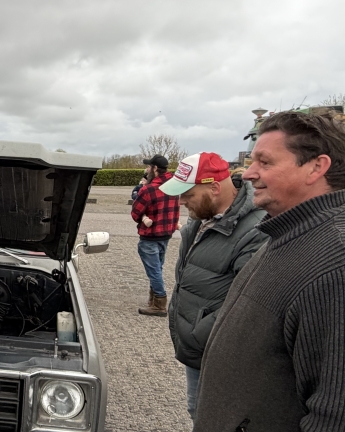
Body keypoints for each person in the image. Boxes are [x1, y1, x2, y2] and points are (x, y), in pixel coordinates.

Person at [195, 111, 345, 431]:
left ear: (316, 167)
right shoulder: (286, 232)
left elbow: (335, 413)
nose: (249, 174)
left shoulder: (335, 263)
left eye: (264, 162)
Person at [158, 152, 268, 422]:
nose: (181, 201)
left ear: (215, 188)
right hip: (201, 347)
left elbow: (249, 302)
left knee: (215, 419)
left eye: (188, 194)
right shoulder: (202, 219)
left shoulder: (256, 230)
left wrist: (200, 331)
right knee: (198, 411)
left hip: (222, 352)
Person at [131, 154, 180, 316]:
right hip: (166, 234)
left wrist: (143, 217)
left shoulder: (148, 189)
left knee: (154, 271)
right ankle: (153, 300)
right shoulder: (174, 186)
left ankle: (159, 303)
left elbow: (135, 213)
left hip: (150, 236)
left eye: (148, 167)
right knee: (157, 267)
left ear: (155, 169)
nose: (147, 170)